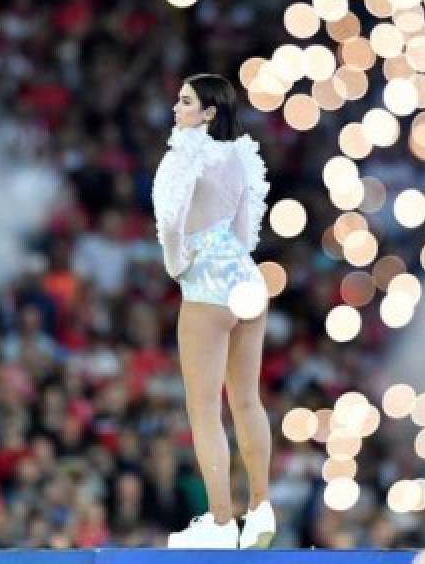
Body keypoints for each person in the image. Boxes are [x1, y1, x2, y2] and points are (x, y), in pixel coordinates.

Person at [151, 73, 277, 549]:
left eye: (185, 101)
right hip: (247, 278)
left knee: (204, 408)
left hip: (207, 283)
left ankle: (221, 523)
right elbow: (247, 228)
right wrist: (232, 260)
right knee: (247, 400)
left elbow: (171, 221)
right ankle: (260, 510)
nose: (175, 108)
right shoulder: (243, 156)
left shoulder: (186, 154)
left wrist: (177, 263)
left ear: (208, 112)